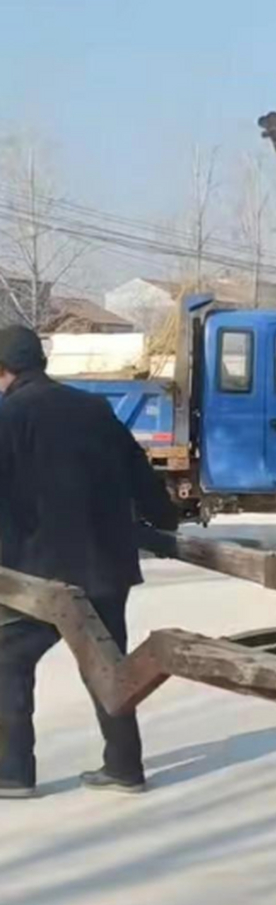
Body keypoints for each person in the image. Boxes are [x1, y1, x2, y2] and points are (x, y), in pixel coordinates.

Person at [0, 324, 179, 799]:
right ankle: (124, 767)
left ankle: (13, 773)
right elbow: (138, 471)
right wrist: (164, 521)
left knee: (8, 661)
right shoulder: (94, 408)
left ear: (5, 371)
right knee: (106, 663)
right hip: (104, 569)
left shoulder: (9, 416)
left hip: (38, 576)